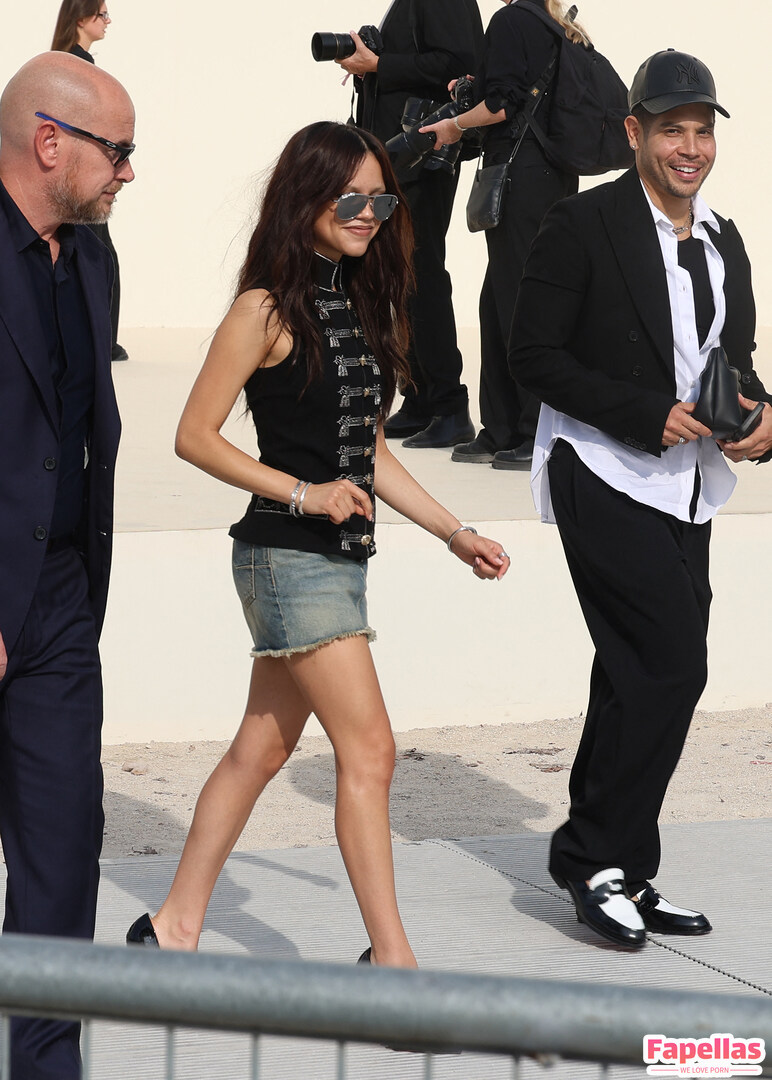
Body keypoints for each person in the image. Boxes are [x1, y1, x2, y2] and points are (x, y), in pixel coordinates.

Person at [126, 121, 509, 965]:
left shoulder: (359, 304)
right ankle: (393, 965)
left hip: (332, 561)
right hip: (286, 558)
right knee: (370, 750)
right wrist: (305, 492)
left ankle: (172, 927)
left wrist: (454, 532)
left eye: (380, 200)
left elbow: (371, 455)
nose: (369, 213)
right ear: (306, 199)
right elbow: (194, 436)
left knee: (260, 749)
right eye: (350, 198)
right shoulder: (263, 309)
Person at [508, 49, 772, 948]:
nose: (689, 148)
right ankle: (592, 859)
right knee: (672, 665)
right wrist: (641, 413)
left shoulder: (725, 238)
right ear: (634, 133)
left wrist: (761, 417)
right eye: (670, 130)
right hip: (602, 468)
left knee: (635, 671)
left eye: (701, 131)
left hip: (689, 487)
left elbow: (731, 363)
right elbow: (531, 355)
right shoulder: (581, 223)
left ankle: (621, 865)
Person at [0, 51, 134, 1077]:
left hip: (58, 607)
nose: (128, 170)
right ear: (51, 142)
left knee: (60, 858)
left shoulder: (93, 258)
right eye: (116, 150)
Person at [421, 0, 582, 470]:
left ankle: (536, 430)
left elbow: (500, 105)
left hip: (522, 177)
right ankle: (501, 428)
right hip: (545, 176)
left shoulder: (511, 20)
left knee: (520, 305)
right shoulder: (554, 25)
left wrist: (453, 125)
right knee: (497, 300)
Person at [335, 0, 484, 449]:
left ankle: (449, 405)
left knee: (422, 274)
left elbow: (460, 63)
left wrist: (379, 64)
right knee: (401, 274)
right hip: (401, 153)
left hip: (423, 155)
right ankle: (420, 397)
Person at [52, 0, 129, 363]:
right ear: (82, 18)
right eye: (102, 14)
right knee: (99, 256)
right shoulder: (78, 65)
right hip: (84, 176)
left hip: (69, 175)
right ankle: (102, 341)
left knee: (84, 253)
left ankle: (92, 337)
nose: (108, 21)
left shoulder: (61, 61)